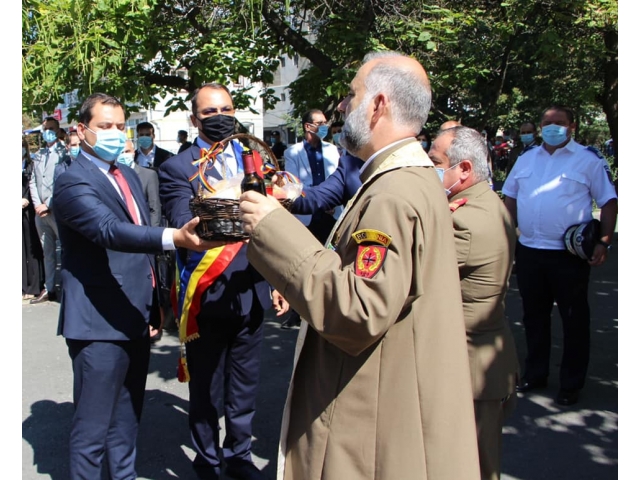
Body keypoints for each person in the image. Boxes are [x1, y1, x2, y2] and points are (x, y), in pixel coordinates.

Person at [239, 51, 480, 480]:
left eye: (352, 95)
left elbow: (358, 311)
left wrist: (271, 227)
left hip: (371, 412)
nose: (342, 106)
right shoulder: (411, 180)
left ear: (378, 105)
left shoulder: (393, 194)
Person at [52, 92, 217, 480]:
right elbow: (110, 231)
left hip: (136, 314)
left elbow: (143, 244)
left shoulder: (126, 175)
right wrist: (176, 237)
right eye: (104, 126)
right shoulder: (72, 182)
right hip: (97, 324)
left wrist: (155, 303)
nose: (115, 133)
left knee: (127, 422)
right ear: (82, 130)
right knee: (93, 431)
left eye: (119, 126)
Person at [158, 82, 289, 480]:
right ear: (194, 118)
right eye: (210, 112)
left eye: (226, 110)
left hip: (251, 289)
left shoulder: (255, 161)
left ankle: (239, 456)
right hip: (206, 295)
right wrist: (236, 203)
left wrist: (279, 279)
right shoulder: (177, 168)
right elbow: (186, 223)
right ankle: (208, 461)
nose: (220, 118)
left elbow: (273, 228)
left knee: (245, 387)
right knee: (206, 391)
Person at [502, 106, 618, 406]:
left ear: (572, 127)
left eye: (560, 123)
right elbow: (510, 196)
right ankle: (535, 373)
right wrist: (508, 235)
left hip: (569, 256)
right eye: (547, 123)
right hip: (530, 251)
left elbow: (608, 201)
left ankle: (571, 383)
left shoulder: (588, 160)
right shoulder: (527, 158)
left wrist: (604, 241)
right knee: (534, 317)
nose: (553, 127)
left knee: (574, 320)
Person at [429, 126, 519, 480]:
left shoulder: (464, 221)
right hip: (486, 359)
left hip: (469, 370)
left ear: (464, 169)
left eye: (436, 163)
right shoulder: (488, 203)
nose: (429, 170)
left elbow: (411, 276)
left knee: (472, 466)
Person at [284, 109, 341, 242]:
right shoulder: (292, 153)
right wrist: (320, 200)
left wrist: (330, 202)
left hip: (331, 213)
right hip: (307, 215)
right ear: (308, 126)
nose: (324, 127)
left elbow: (338, 179)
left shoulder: (332, 150)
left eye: (325, 123)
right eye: (320, 123)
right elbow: (293, 185)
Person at [28, 116, 68, 304]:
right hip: (40, 212)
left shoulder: (64, 153)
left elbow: (63, 181)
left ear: (58, 130)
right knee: (48, 252)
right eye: (45, 129)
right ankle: (49, 288)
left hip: (56, 210)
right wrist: (38, 204)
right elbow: (33, 180)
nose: (47, 132)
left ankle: (68, 286)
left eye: (51, 128)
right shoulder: (39, 154)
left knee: (66, 250)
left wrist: (49, 204)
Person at [22, 137, 45, 301]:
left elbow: (35, 184)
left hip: (30, 210)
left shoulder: (31, 164)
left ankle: (35, 285)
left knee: (33, 248)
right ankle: (22, 285)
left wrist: (27, 199)